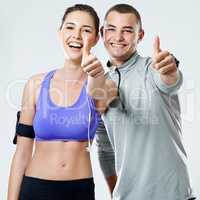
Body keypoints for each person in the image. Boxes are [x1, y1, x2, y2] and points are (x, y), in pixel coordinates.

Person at [7, 4, 116, 200]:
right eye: (70, 27)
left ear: (96, 39)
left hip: (79, 190)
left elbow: (100, 100)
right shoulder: (36, 85)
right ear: (60, 32)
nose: (76, 35)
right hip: (35, 189)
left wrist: (96, 75)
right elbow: (22, 154)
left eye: (86, 30)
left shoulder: (106, 85)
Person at [96, 4, 196, 200]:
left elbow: (169, 82)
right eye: (111, 29)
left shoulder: (153, 68)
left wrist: (169, 71)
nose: (117, 37)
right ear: (102, 33)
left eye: (127, 31)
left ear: (140, 36)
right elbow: (104, 148)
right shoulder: (99, 85)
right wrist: (115, 192)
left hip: (175, 195)